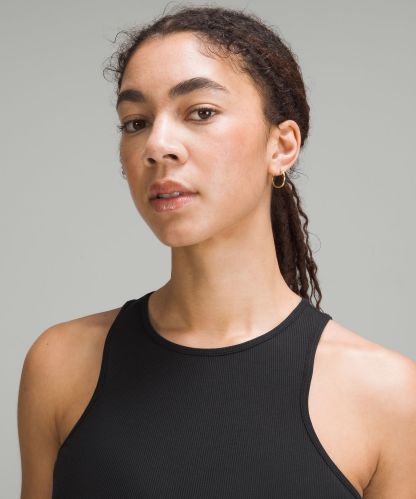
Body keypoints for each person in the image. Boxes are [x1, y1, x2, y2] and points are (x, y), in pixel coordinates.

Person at [17, 5, 416, 499]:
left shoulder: (388, 397)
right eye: (136, 122)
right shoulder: (61, 365)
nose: (157, 145)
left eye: (201, 112)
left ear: (282, 146)